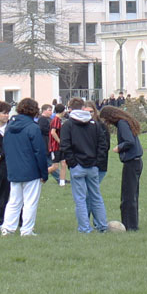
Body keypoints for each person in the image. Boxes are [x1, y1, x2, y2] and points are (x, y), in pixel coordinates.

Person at [0, 98, 49, 236]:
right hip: (31, 170)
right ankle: (26, 230)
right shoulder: (33, 128)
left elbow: (6, 148)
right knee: (30, 202)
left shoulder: (9, 127)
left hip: (14, 169)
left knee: (14, 201)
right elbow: (39, 152)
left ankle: (8, 228)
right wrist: (44, 173)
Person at [61, 99, 110, 233]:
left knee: (80, 199)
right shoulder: (94, 124)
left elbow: (65, 145)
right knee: (96, 196)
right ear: (83, 108)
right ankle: (102, 225)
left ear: (70, 108)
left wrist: (72, 163)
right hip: (93, 166)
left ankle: (84, 228)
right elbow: (102, 144)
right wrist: (97, 162)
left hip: (77, 166)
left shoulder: (68, 125)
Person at [100, 105, 143, 231]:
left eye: (106, 120)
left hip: (131, 162)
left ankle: (129, 225)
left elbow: (129, 141)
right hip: (136, 162)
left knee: (127, 196)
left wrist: (119, 147)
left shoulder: (122, 124)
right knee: (132, 194)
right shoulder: (126, 122)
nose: (107, 123)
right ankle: (132, 224)